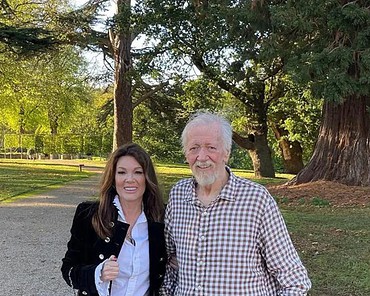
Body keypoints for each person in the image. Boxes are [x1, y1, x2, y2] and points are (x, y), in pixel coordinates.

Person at [160, 111, 311, 295]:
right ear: (186, 154)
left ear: (226, 153)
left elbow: (295, 281)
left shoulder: (256, 200)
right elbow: (167, 261)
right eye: (194, 148)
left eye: (211, 148)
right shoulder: (178, 196)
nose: (201, 157)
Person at [61, 143, 167, 296]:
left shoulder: (161, 218)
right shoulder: (89, 215)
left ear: (147, 177)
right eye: (122, 172)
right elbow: (68, 271)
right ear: (113, 177)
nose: (129, 179)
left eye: (138, 172)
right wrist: (99, 272)